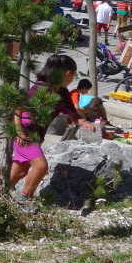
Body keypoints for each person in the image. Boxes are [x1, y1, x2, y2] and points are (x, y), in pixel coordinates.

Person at [12, 54, 82, 211]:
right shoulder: (41, 87)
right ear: (67, 73)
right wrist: (19, 132)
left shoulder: (62, 92)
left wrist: (87, 123)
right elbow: (18, 107)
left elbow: (73, 115)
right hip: (25, 132)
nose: (73, 79)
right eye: (73, 75)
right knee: (41, 167)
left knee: (20, 171)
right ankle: (24, 201)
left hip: (37, 135)